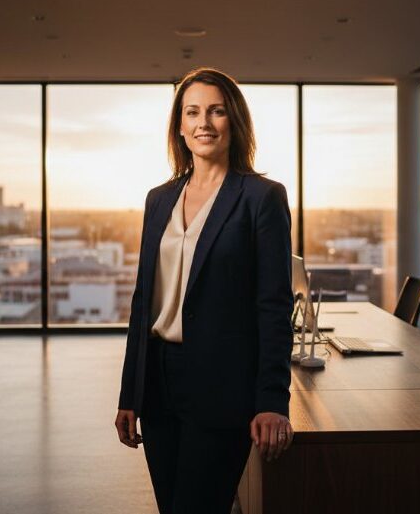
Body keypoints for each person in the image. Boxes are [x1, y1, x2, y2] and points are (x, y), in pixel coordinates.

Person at [114, 67, 295, 514]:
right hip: (158, 383)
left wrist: (273, 400)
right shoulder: (159, 199)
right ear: (179, 126)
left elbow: (273, 306)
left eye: (216, 111)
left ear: (235, 120)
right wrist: (129, 394)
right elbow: (143, 302)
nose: (204, 123)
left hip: (223, 385)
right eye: (192, 112)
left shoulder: (261, 198)